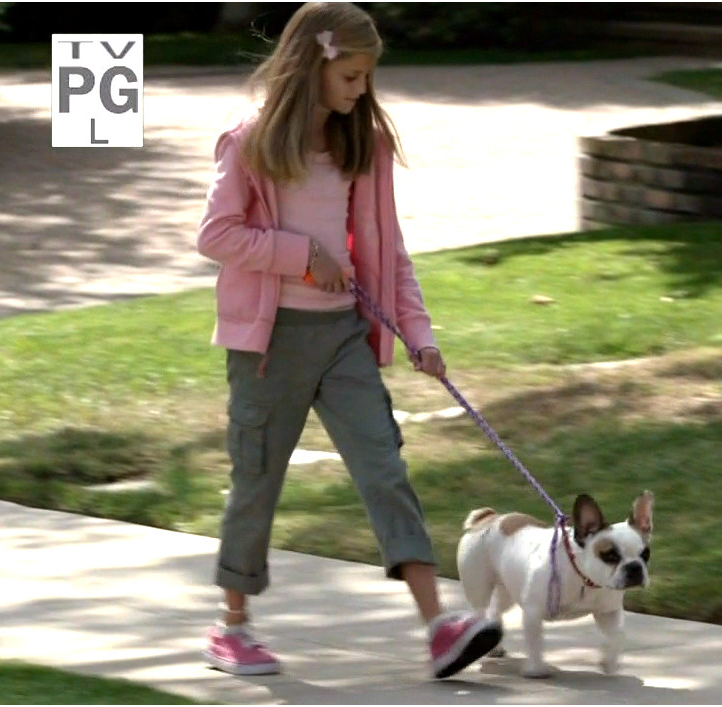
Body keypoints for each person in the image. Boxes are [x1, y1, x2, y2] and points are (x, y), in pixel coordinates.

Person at [194, 1, 502, 681]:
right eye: (351, 76)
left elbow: (390, 253)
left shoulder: (364, 146)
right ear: (313, 65)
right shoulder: (247, 144)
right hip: (269, 345)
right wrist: (302, 255)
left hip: (341, 338)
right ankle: (232, 625)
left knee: (384, 467)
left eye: (366, 78)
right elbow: (215, 235)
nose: (361, 91)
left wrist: (418, 334)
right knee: (256, 481)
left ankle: (439, 626)